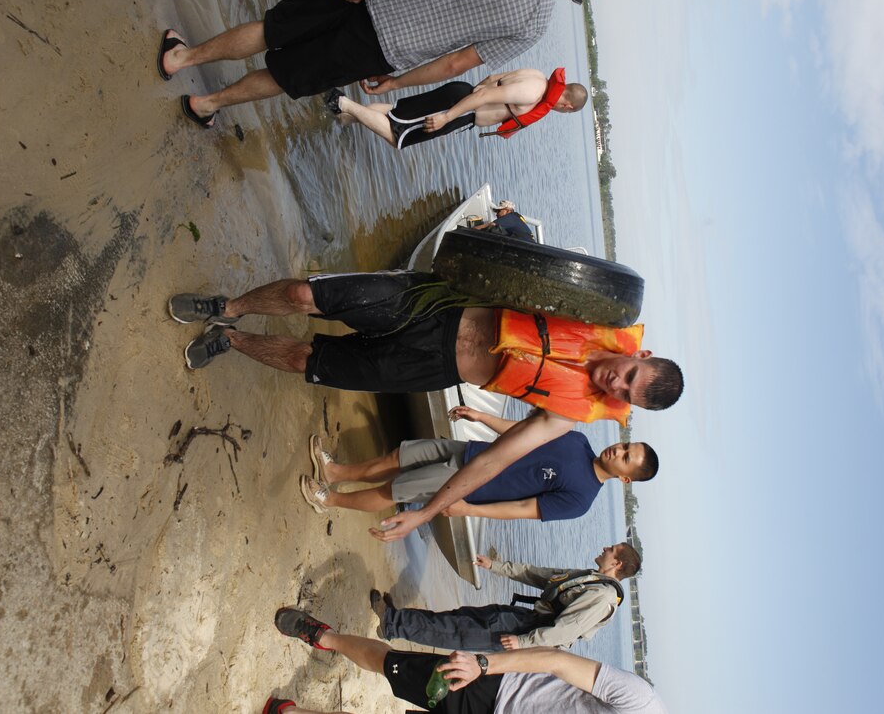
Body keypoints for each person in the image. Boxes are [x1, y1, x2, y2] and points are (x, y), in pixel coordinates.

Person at [167, 270, 683, 541]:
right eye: (630, 374)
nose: (615, 382)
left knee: (312, 360)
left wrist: (429, 513)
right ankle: (228, 306)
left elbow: (496, 460)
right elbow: (531, 270)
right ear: (642, 353)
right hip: (434, 305)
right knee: (307, 295)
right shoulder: (591, 314)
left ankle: (230, 340)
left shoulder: (572, 416)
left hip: (432, 369)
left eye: (624, 394)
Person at [155, 0, 609, 128]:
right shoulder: (533, 23)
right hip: (384, 47)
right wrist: (396, 83)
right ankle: (206, 105)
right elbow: (458, 64)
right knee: (287, 75)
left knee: (273, 28)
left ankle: (182, 57)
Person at [272, 606, 669, 713]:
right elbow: (556, 661)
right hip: (492, 689)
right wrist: (484, 664)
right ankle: (326, 637)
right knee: (392, 666)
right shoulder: (642, 703)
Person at [299, 406, 658, 519]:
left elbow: (522, 508)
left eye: (626, 458)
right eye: (626, 446)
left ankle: (328, 500)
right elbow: (521, 432)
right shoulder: (578, 440)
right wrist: (480, 416)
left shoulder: (581, 499)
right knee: (399, 456)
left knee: (394, 490)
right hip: (470, 452)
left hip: (470, 482)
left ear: (626, 479)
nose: (618, 451)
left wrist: (468, 508)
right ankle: (335, 472)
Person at [371, 543, 640, 651]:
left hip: (524, 631)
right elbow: (541, 575)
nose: (606, 548)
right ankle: (399, 620)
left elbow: (564, 632)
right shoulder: (593, 578)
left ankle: (392, 624)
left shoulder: (602, 598)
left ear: (616, 564)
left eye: (612, 549)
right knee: (458, 617)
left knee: (456, 632)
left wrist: (522, 642)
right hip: (521, 617)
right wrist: (495, 566)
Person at [325, 67, 588, 151]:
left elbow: (490, 79)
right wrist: (448, 117)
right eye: (565, 111)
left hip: (461, 97)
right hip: (462, 108)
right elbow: (485, 95)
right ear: (566, 105)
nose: (561, 111)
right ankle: (342, 102)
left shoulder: (537, 75)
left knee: (395, 111)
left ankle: (344, 119)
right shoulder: (534, 92)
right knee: (399, 136)